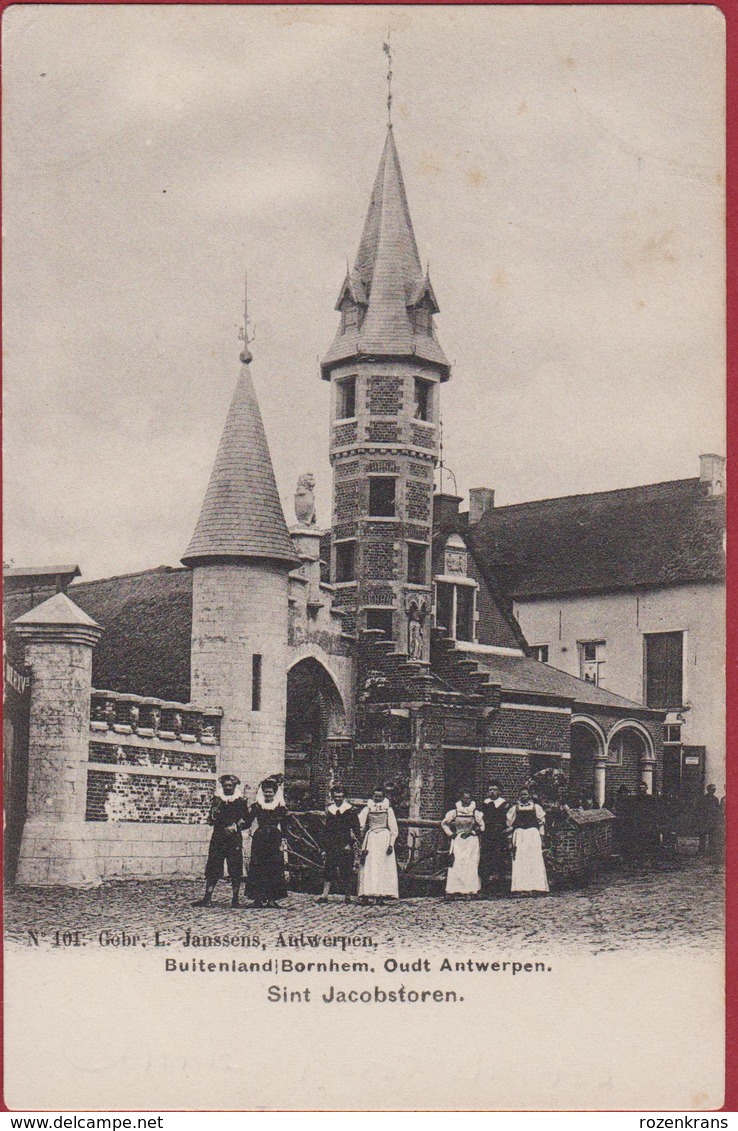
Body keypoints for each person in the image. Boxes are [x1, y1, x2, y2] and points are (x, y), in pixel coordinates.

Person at [192, 774, 250, 908]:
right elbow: (212, 818)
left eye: (230, 785)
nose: (227, 788)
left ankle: (235, 899)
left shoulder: (240, 801)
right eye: (225, 785)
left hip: (234, 838)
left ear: (235, 786)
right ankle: (207, 898)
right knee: (213, 866)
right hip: (218, 837)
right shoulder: (218, 800)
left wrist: (235, 826)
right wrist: (211, 818)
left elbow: (246, 820)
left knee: (235, 867)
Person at [244, 778, 288, 908]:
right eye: (266, 792)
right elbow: (248, 821)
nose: (268, 794)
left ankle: (271, 899)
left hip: (275, 838)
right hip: (260, 838)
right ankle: (257, 899)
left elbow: (284, 825)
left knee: (274, 868)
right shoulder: (258, 806)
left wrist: (283, 840)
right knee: (258, 867)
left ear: (275, 793)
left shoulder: (280, 807)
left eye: (270, 792)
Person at [319, 785, 360, 903]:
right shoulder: (330, 810)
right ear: (333, 797)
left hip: (345, 843)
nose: (338, 799)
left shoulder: (350, 810)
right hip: (331, 843)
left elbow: (356, 828)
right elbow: (327, 829)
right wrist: (324, 847)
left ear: (344, 797)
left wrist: (350, 843)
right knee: (329, 868)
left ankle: (347, 896)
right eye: (336, 797)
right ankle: (325, 895)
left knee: (346, 869)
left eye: (340, 797)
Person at [357, 787, 399, 905]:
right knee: (369, 864)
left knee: (382, 866)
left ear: (383, 797)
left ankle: (381, 895)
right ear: (373, 796)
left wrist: (391, 843)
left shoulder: (388, 810)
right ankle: (366, 893)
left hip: (384, 838)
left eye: (380, 796)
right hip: (371, 838)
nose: (378, 798)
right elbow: (359, 823)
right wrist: (360, 834)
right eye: (376, 796)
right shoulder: (368, 808)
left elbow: (394, 828)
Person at [442, 789, 484, 898]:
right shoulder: (454, 812)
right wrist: (451, 834)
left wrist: (472, 832)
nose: (467, 800)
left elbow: (482, 827)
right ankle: (454, 889)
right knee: (457, 863)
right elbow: (444, 824)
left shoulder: (475, 813)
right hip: (458, 841)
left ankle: (470, 890)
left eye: (469, 798)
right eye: (465, 798)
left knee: (470, 864)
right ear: (461, 798)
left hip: (471, 841)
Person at [506, 788, 549, 895]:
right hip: (520, 835)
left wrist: (542, 838)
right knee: (520, 860)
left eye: (525, 794)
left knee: (534, 860)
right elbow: (509, 825)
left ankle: (537, 887)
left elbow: (541, 824)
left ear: (529, 795)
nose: (523, 796)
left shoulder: (536, 808)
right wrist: (510, 841)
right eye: (521, 795)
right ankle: (520, 888)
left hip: (533, 835)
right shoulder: (514, 808)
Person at [478, 781, 509, 894]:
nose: (492, 792)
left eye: (495, 789)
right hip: (488, 834)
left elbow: (508, 819)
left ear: (499, 791)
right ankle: (486, 886)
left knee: (500, 858)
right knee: (486, 858)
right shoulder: (485, 804)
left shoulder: (504, 804)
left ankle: (500, 887)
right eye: (490, 790)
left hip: (500, 834)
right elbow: (480, 819)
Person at [698, 784, 723, 860]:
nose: (713, 791)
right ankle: (701, 851)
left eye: (714, 789)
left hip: (712, 820)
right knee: (702, 836)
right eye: (712, 789)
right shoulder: (703, 798)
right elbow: (700, 809)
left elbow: (717, 810)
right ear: (708, 790)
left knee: (712, 836)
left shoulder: (715, 799)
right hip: (704, 820)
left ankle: (711, 851)